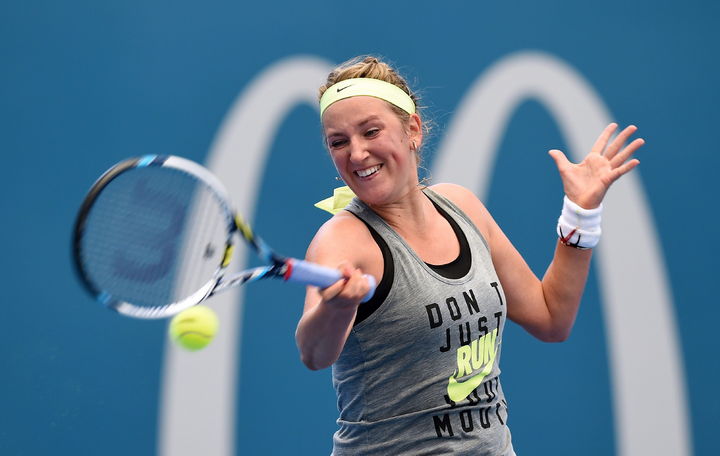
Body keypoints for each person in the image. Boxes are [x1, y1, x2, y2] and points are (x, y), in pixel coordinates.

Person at [294, 56, 643, 455]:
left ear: (412, 129)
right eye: (338, 142)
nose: (356, 154)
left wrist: (581, 215)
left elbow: (551, 318)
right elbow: (314, 354)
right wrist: (336, 307)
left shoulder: (462, 207)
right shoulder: (342, 240)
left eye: (371, 131)